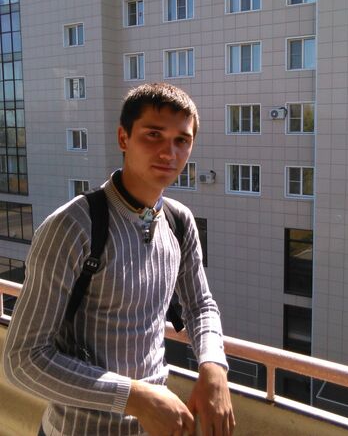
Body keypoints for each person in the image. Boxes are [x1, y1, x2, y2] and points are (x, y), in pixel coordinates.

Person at [4, 83, 235, 436]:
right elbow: (23, 359)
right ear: (123, 138)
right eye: (153, 135)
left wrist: (214, 367)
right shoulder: (74, 226)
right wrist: (136, 398)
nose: (169, 152)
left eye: (182, 140)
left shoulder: (178, 221)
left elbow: (200, 305)